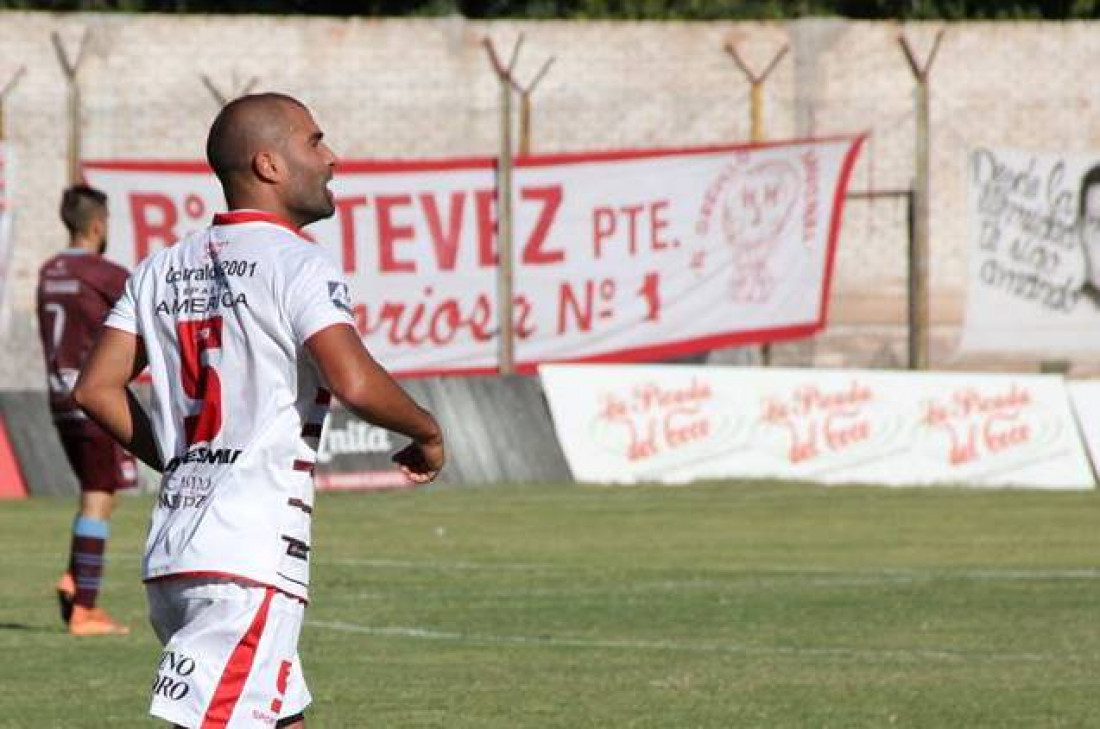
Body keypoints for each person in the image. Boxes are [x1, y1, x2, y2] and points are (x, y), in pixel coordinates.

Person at [72, 93, 445, 728]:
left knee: (280, 718)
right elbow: (352, 380)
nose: (332, 158)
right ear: (269, 165)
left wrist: (185, 459)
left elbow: (95, 389)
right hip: (247, 562)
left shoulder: (160, 268)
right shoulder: (296, 263)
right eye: (315, 142)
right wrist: (428, 431)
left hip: (177, 555)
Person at [36, 184, 137, 637]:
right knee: (100, 496)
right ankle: (85, 610)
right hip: (93, 396)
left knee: (95, 491)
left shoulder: (48, 270)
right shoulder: (106, 274)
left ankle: (75, 578)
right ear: (98, 224)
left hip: (57, 395)